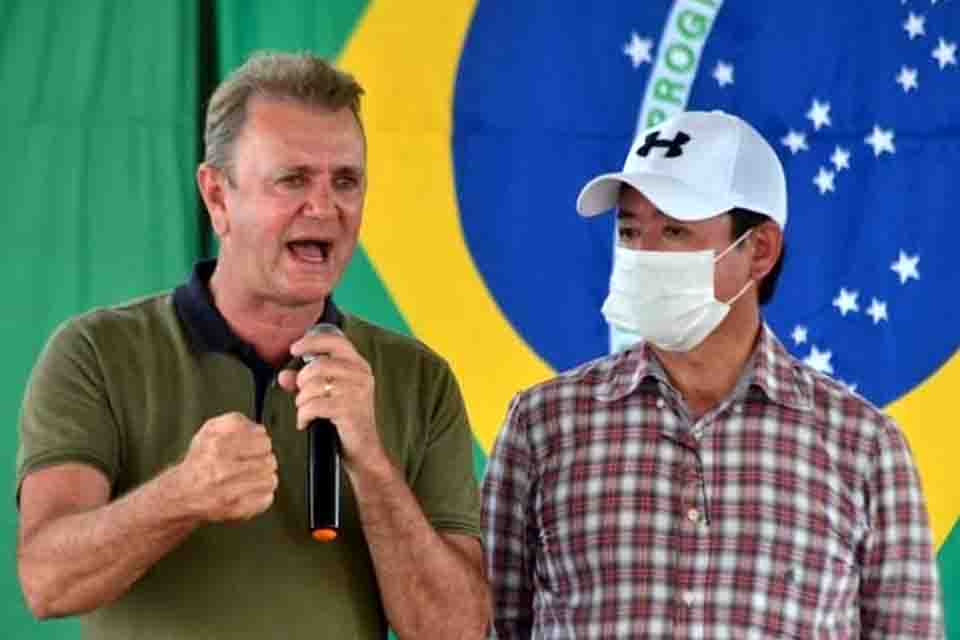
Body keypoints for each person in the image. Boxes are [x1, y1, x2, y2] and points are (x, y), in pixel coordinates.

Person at [16, 51, 490, 639]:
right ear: (217, 197)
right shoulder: (96, 353)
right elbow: (45, 582)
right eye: (292, 179)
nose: (324, 207)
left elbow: (455, 631)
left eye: (345, 180)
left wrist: (371, 460)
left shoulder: (420, 380)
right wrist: (180, 495)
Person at [481, 110, 943, 638]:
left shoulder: (864, 447)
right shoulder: (543, 425)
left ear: (760, 251)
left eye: (675, 230)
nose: (643, 255)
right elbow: (487, 625)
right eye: (630, 230)